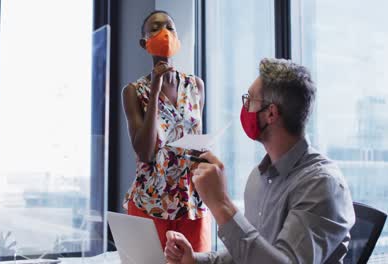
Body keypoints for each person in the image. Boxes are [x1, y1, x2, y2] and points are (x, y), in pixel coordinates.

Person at [164, 58, 356, 263]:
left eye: (249, 100)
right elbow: (248, 253)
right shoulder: (259, 176)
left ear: (271, 113)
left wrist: (221, 204)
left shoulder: (322, 184)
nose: (244, 107)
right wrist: (194, 259)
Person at [122, 10, 211, 252]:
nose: (164, 33)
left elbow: (195, 140)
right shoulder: (133, 91)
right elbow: (145, 152)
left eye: (170, 27)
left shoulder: (196, 86)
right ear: (144, 43)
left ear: (178, 38)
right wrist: (155, 90)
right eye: (155, 28)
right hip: (150, 202)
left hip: (191, 202)